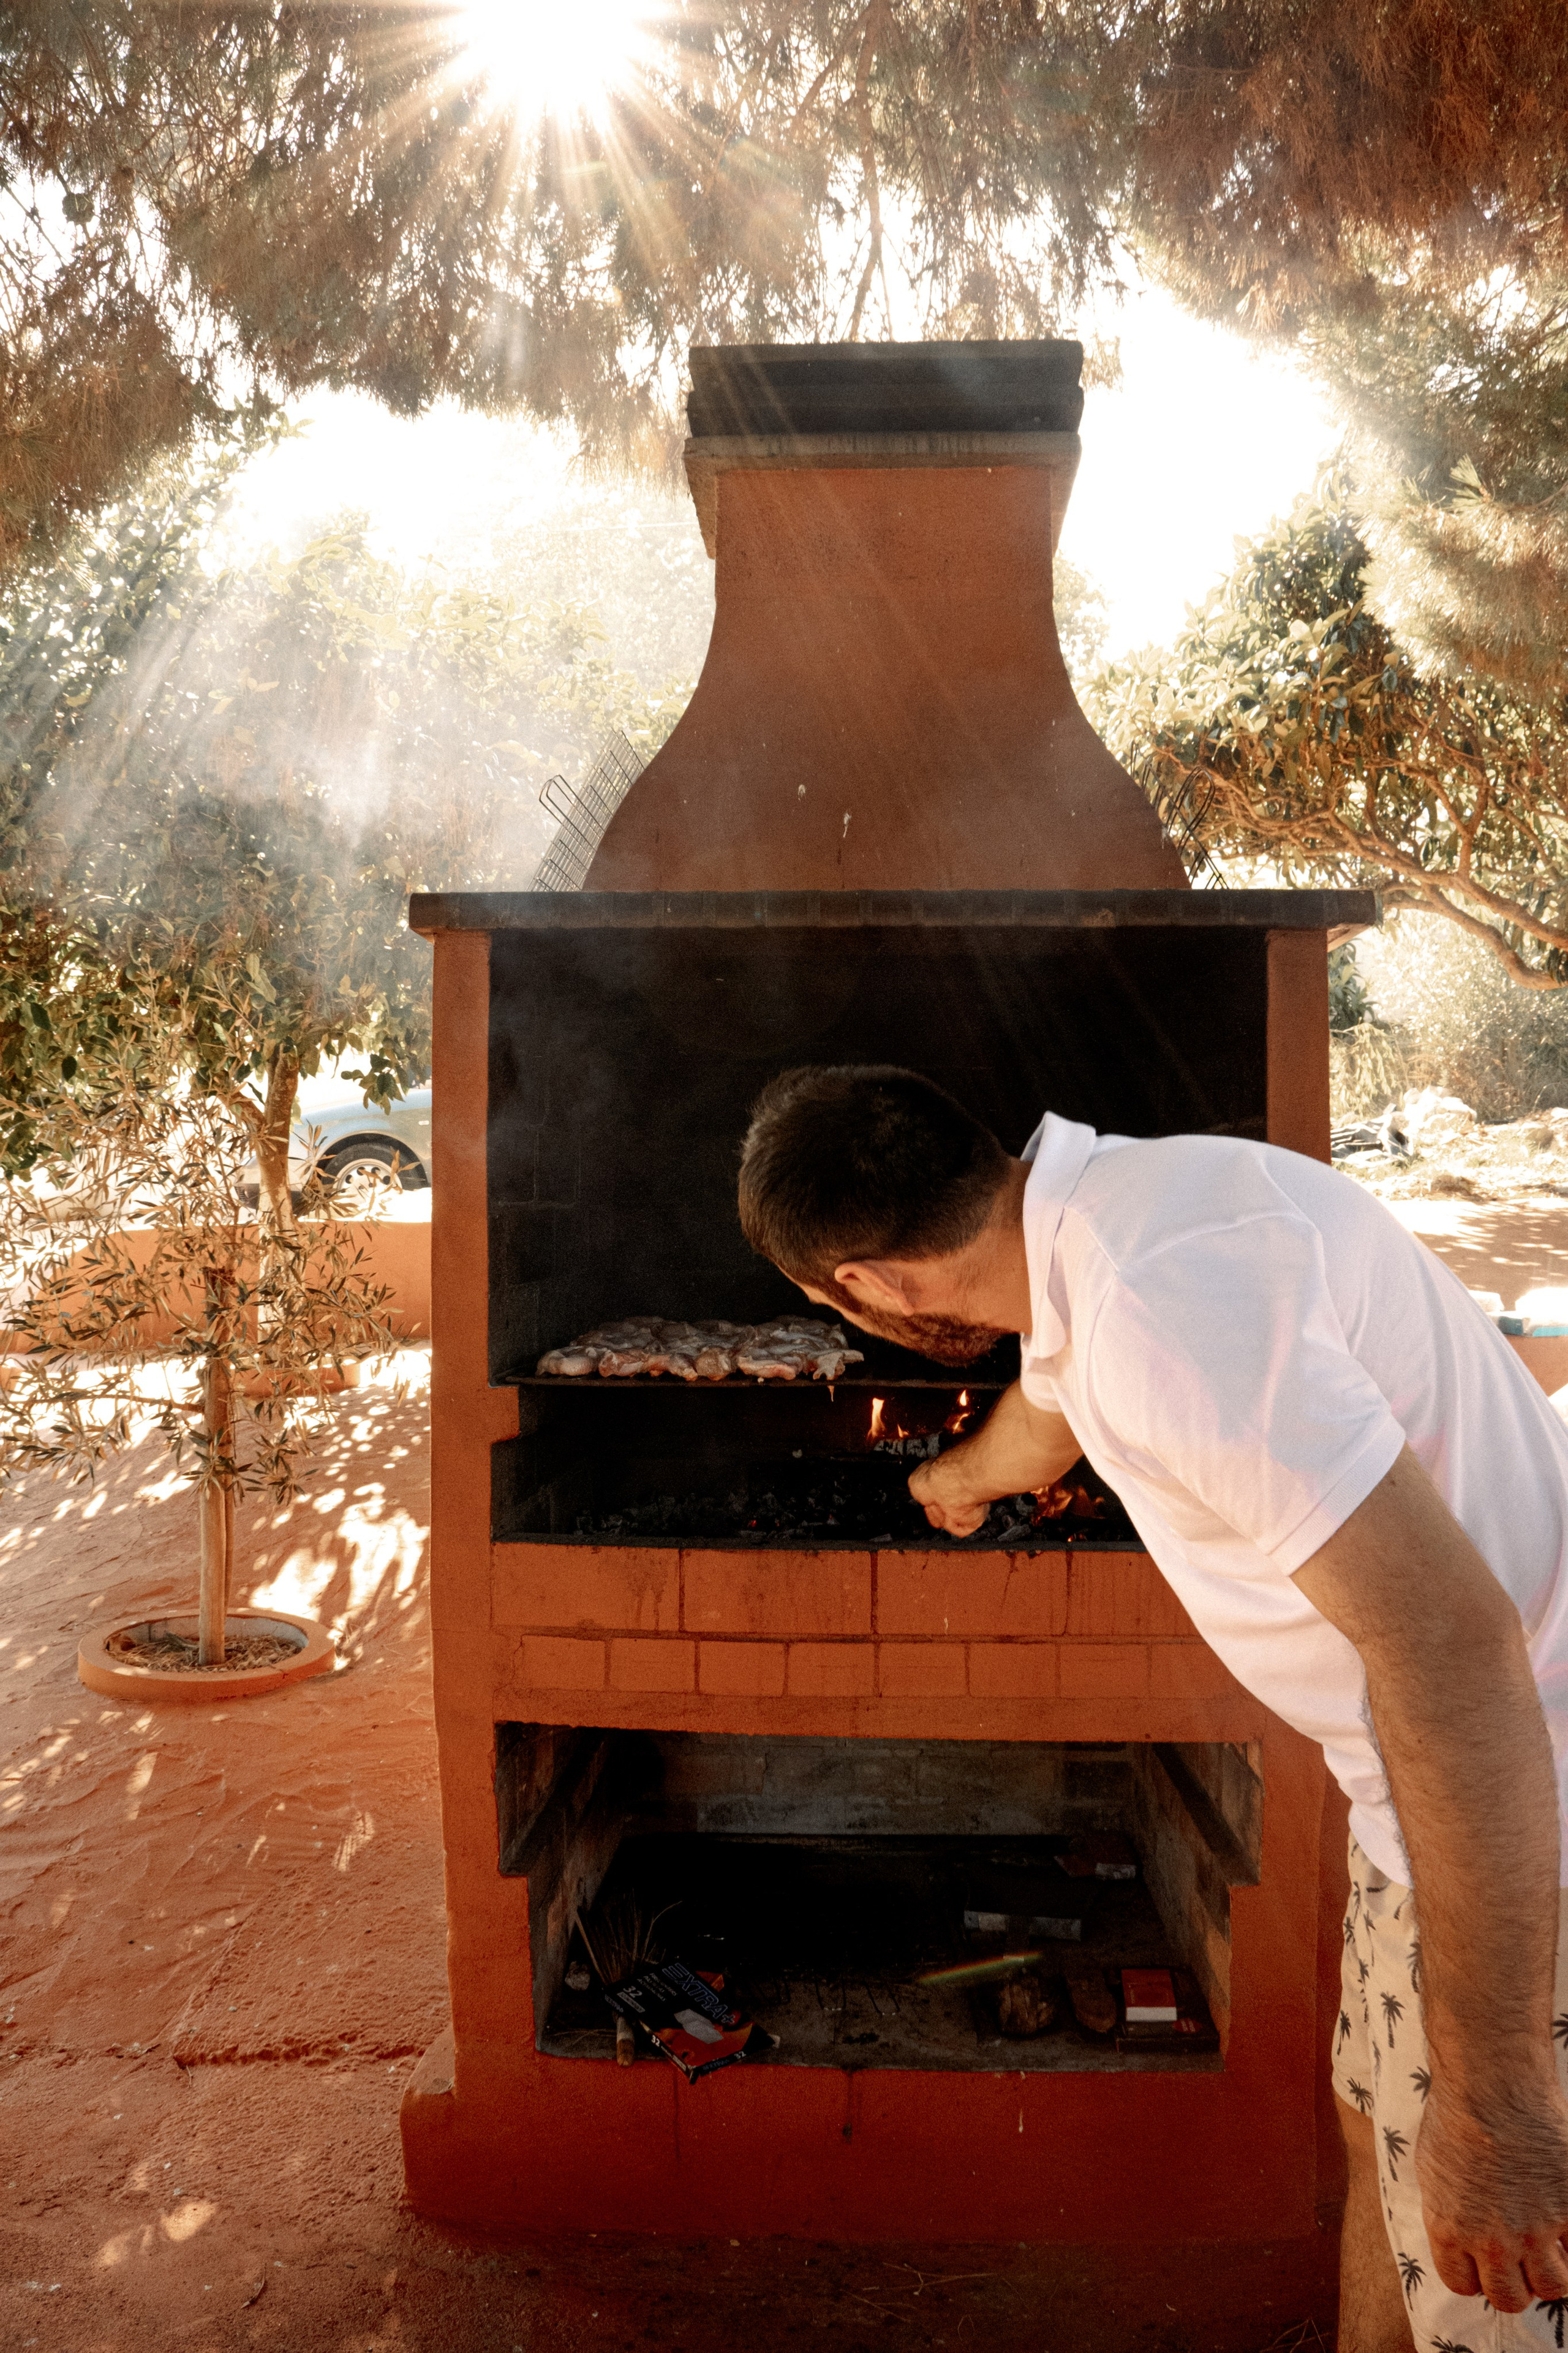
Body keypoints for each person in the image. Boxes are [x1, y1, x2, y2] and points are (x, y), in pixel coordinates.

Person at [737, 1062, 1568, 2353]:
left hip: (1518, 1812)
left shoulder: (1152, 1314)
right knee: (1378, 2129)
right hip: (1421, 1800)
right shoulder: (1117, 1213)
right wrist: (948, 1484)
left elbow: (1452, 1647)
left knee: (1482, 2257)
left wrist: (1503, 2093)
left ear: (868, 1287)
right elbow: (1044, 1416)